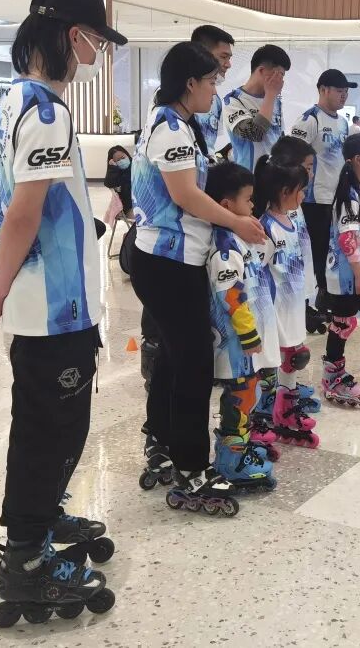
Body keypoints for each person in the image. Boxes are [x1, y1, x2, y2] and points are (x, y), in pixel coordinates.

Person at [0, 0, 125, 622]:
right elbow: (23, 213)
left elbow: (15, 206)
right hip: (54, 309)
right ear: (72, 36)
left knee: (47, 424)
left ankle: (43, 515)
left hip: (49, 302)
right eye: (95, 43)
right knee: (51, 429)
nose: (94, 56)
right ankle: (27, 558)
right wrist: (1, 283)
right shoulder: (47, 112)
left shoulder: (15, 101)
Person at [130, 41, 267, 513]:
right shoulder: (170, 128)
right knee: (193, 365)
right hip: (166, 262)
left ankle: (166, 442)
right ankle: (191, 469)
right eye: (211, 80)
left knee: (175, 359)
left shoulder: (179, 123)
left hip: (175, 260)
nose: (215, 89)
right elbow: (186, 195)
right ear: (190, 83)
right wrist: (237, 222)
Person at [203, 162, 277, 492]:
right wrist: (248, 334)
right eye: (248, 200)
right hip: (234, 344)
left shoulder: (237, 239)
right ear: (226, 205)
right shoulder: (224, 248)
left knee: (249, 392)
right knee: (241, 395)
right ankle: (230, 460)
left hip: (246, 340)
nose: (253, 205)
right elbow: (230, 297)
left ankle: (238, 446)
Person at [253, 155, 320, 445]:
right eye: (300, 190)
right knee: (268, 364)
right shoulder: (265, 227)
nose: (303, 196)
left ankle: (286, 408)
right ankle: (255, 417)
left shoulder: (292, 220)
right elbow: (256, 271)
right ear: (284, 192)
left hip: (293, 304)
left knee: (295, 357)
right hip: (274, 307)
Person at [321, 133, 360, 409]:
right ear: (358, 160)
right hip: (348, 276)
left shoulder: (358, 190)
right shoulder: (349, 194)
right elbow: (346, 238)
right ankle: (332, 375)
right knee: (343, 323)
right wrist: (359, 274)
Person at [290, 68, 354, 314]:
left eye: (346, 91)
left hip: (337, 200)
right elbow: (292, 157)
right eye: (339, 91)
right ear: (323, 90)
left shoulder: (344, 123)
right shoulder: (309, 120)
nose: (343, 95)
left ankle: (327, 299)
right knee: (315, 252)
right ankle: (310, 304)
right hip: (314, 201)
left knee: (333, 251)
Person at [268, 135, 325, 336]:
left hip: (298, 285)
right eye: (308, 168)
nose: (311, 174)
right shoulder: (270, 214)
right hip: (281, 292)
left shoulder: (295, 204)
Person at [221, 44, 290, 169]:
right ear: (262, 71)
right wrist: (270, 94)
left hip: (274, 176)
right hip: (248, 176)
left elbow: (280, 138)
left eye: (283, 76)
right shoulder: (233, 101)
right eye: (279, 74)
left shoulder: (275, 101)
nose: (281, 81)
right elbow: (255, 133)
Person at [190, 25, 235, 159]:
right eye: (223, 57)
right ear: (201, 54)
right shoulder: (173, 97)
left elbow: (209, 146)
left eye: (229, 58)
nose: (228, 64)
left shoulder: (216, 101)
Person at [104, 146, 134, 218]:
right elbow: (108, 183)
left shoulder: (136, 165)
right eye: (118, 160)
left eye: (123, 158)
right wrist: (113, 168)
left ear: (127, 155)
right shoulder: (117, 172)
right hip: (129, 206)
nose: (122, 161)